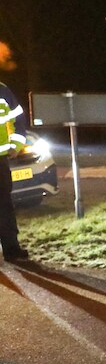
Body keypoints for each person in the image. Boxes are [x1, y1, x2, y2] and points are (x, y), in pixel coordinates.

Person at [0, 80, 29, 261]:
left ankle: (11, 248)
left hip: (0, 159)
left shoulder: (2, 90)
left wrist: (17, 144)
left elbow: (18, 117)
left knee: (4, 205)